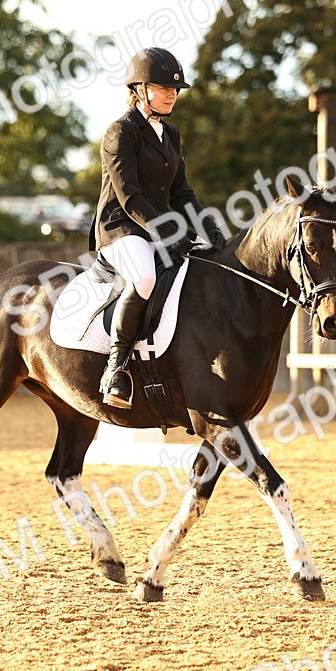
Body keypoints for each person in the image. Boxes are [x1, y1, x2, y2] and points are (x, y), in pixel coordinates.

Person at [89, 47, 227, 409]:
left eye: (175, 89)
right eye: (164, 88)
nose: (172, 94)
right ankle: (115, 367)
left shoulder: (171, 134)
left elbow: (182, 193)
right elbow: (130, 197)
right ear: (139, 89)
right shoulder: (121, 132)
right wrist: (170, 232)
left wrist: (210, 230)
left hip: (158, 227)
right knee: (146, 278)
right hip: (120, 229)